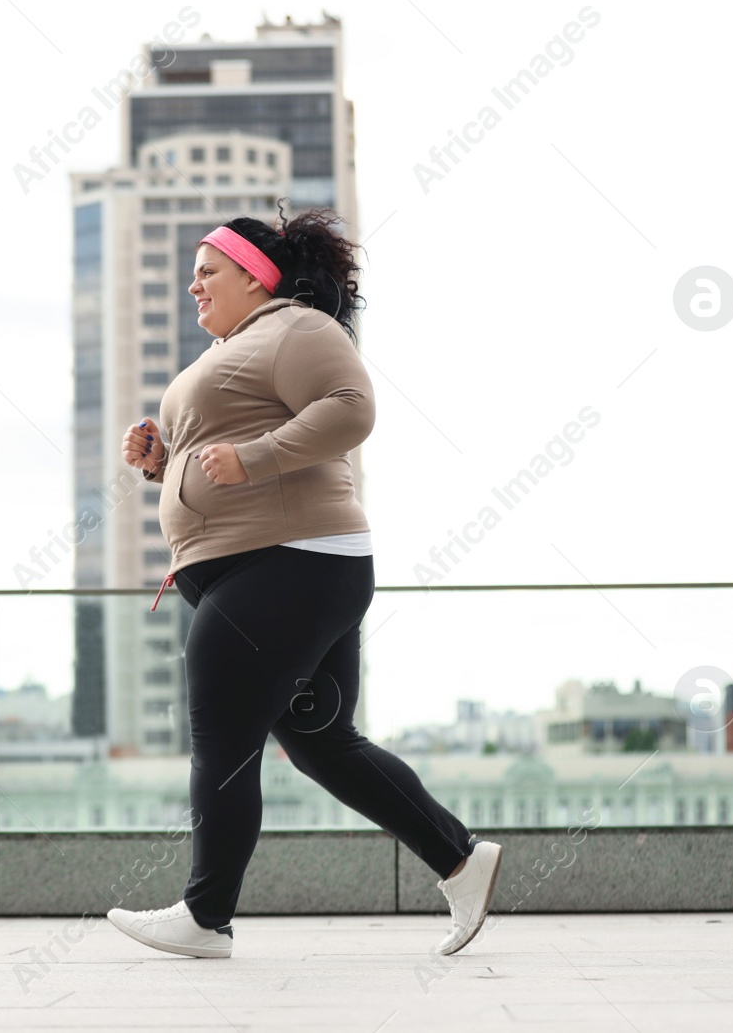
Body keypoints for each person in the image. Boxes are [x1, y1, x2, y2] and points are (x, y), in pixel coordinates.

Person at [106, 205, 501, 960]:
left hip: (289, 564)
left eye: (207, 272)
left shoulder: (298, 328)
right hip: (289, 567)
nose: (193, 287)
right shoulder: (249, 344)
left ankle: (205, 914)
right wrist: (160, 460)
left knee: (221, 740)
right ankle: (460, 858)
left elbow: (352, 410)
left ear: (255, 278)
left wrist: (254, 458)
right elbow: (218, 448)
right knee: (324, 743)